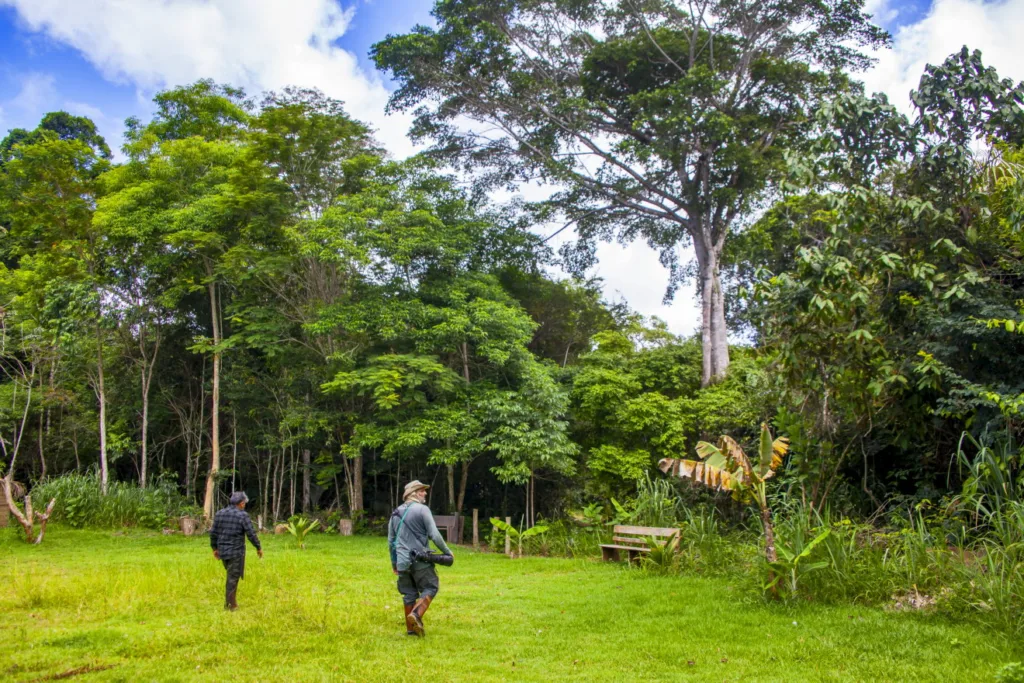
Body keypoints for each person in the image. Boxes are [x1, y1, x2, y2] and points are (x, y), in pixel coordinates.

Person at [388, 480, 453, 636]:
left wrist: (394, 562)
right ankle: (416, 615)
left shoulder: (395, 513)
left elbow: (391, 542)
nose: (425, 493)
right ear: (413, 493)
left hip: (403, 561)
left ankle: (411, 630)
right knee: (431, 587)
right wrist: (447, 551)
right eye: (422, 490)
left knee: (409, 594)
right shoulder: (422, 510)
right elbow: (434, 535)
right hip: (420, 560)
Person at [210, 491, 263, 610]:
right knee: (232, 579)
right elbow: (251, 534)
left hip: (223, 551)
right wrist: (258, 547)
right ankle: (230, 605)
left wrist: (214, 548)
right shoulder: (242, 515)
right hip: (236, 552)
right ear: (242, 503)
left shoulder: (219, 514)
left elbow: (213, 533)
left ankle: (231, 602)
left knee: (231, 576)